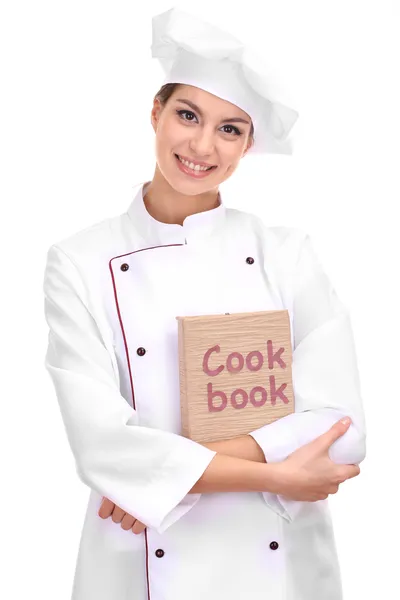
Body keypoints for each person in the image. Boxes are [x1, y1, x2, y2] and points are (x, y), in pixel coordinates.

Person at [42, 7, 366, 600]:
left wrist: (156, 480)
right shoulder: (81, 261)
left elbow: (342, 430)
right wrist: (277, 475)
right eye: (187, 115)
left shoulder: (287, 254)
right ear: (155, 114)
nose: (201, 145)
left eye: (229, 128)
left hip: (279, 566)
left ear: (248, 145)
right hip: (138, 565)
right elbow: (102, 445)